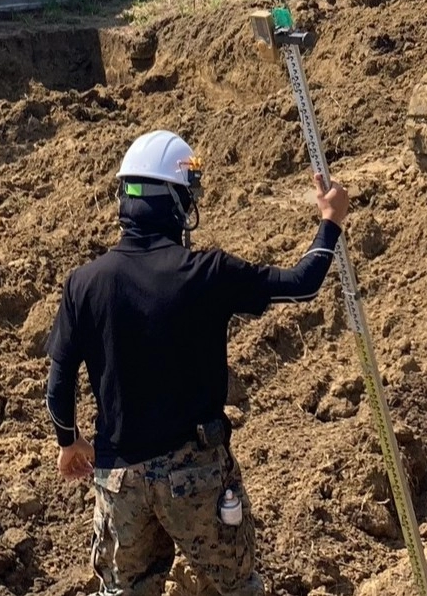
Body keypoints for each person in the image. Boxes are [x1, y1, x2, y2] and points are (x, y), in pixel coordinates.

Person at [47, 130, 349, 596]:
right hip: (195, 474)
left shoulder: (83, 283)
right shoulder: (207, 272)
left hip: (118, 478)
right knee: (237, 586)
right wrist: (330, 222)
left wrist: (69, 441)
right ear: (171, 201)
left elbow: (59, 379)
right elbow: (302, 283)